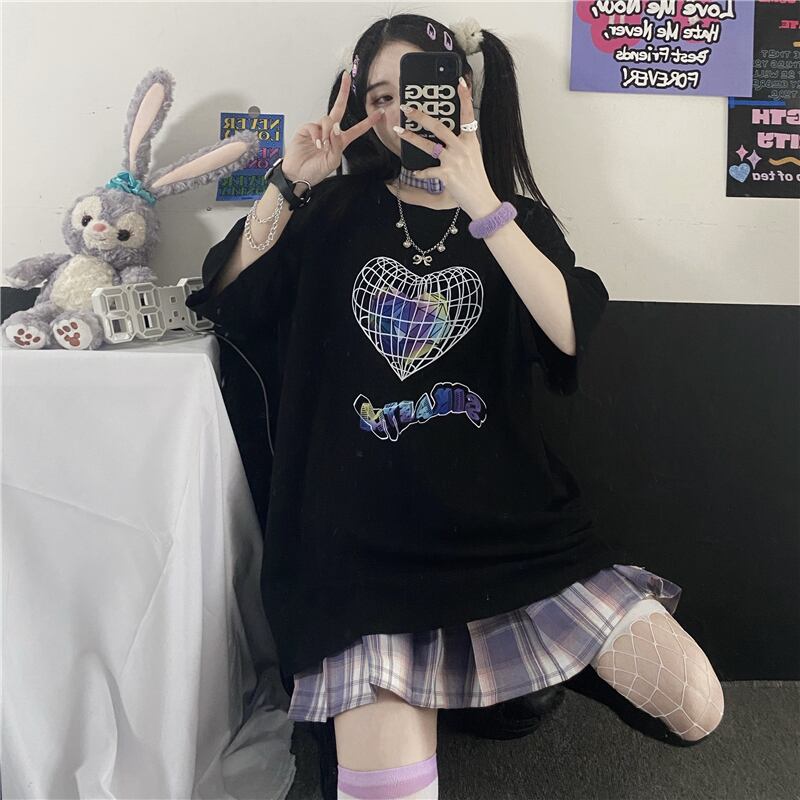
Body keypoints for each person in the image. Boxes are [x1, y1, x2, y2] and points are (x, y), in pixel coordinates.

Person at [186, 13, 725, 800]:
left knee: (697, 706)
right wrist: (292, 182)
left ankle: (528, 670)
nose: (400, 111)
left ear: (464, 94)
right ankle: (471, 688)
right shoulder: (334, 212)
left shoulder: (516, 221)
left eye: (419, 91)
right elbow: (230, 300)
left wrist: (483, 200)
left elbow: (568, 333)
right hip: (357, 549)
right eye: (379, 97)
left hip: (505, 532)